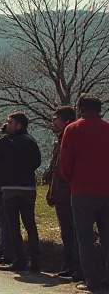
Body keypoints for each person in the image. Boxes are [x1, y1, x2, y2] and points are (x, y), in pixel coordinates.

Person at [59, 95, 109, 293]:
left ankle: (92, 281)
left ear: (80, 109)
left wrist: (71, 180)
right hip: (107, 191)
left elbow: (65, 164)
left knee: (85, 238)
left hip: (82, 191)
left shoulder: (72, 129)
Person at [0, 111, 42, 273]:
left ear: (18, 125)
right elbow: (37, 162)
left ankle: (19, 260)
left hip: (10, 186)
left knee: (13, 226)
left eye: (10, 122)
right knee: (30, 225)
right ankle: (36, 261)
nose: (7, 125)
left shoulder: (5, 141)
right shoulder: (31, 141)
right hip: (28, 186)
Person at [46, 106, 82, 280]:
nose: (53, 122)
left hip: (68, 192)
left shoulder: (70, 138)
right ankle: (68, 264)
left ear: (66, 120)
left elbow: (64, 169)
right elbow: (55, 169)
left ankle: (74, 265)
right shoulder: (59, 139)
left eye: (56, 118)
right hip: (60, 192)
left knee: (71, 230)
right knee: (66, 231)